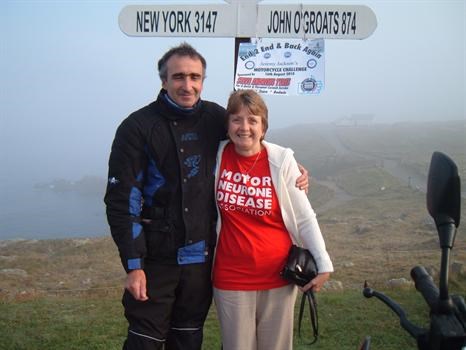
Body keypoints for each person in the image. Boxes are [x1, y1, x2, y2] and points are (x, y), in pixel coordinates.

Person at [104, 43, 309, 350]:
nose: (187, 85)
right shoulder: (137, 127)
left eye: (194, 77)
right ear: (164, 80)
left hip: (200, 261)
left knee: (187, 339)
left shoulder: (214, 116)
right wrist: (134, 265)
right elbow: (122, 200)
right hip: (155, 261)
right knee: (143, 342)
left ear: (202, 80)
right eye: (178, 77)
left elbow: (250, 140)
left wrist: (292, 168)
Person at [212, 89, 334, 350]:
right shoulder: (216, 156)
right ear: (227, 125)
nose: (244, 127)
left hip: (279, 276)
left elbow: (304, 217)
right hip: (230, 277)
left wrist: (323, 263)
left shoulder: (281, 160)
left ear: (264, 127)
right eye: (236, 119)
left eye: (253, 120)